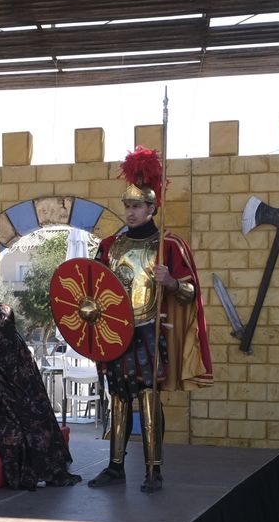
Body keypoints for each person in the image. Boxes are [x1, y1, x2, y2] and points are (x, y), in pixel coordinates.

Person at [85, 147, 214, 493]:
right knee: (118, 396)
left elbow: (190, 293)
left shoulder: (168, 245)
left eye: (138, 206)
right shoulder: (110, 245)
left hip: (148, 330)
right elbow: (92, 285)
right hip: (115, 332)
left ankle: (153, 470)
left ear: (152, 208)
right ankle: (115, 467)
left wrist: (170, 281)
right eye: (127, 206)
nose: (131, 212)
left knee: (147, 396)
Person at [0, 304, 81, 489]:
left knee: (40, 420)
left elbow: (31, 390)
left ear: (7, 323)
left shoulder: (19, 349)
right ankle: (25, 476)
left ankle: (45, 472)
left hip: (22, 406)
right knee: (14, 431)